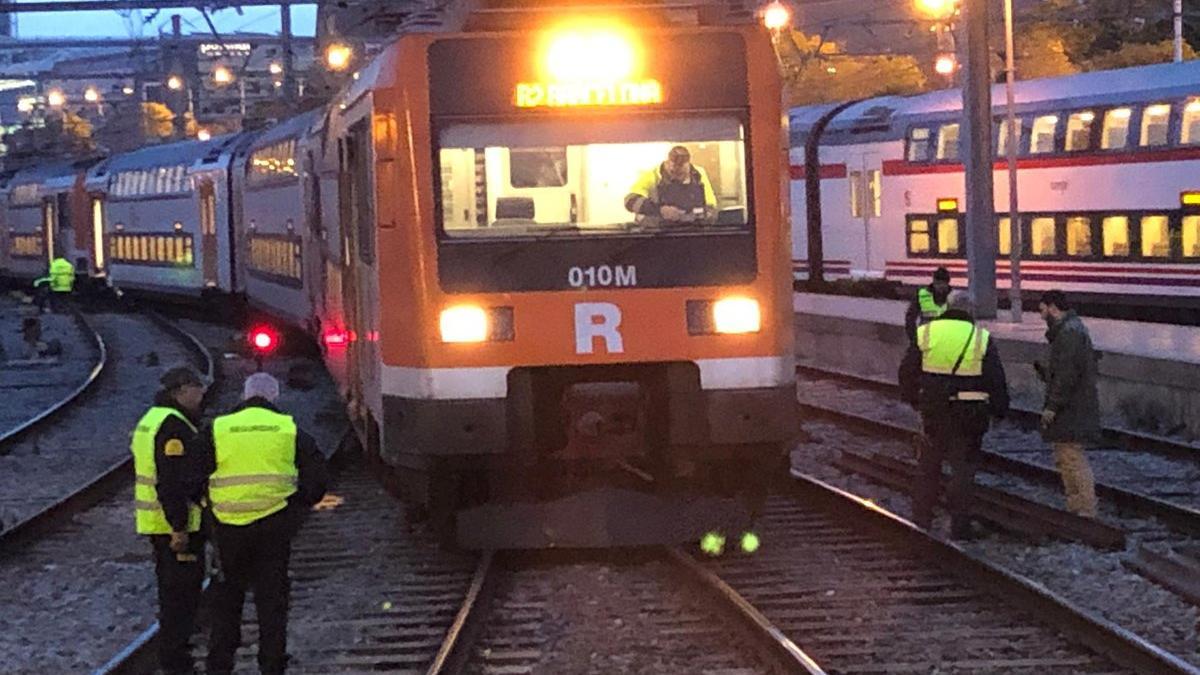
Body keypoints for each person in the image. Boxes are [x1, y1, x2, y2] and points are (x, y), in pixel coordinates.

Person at [200, 372, 328, 675]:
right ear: (274, 397)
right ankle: (271, 666)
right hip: (273, 528)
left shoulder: (218, 429)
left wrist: (208, 511)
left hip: (227, 528)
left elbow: (191, 475)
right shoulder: (287, 428)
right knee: (271, 603)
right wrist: (295, 506)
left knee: (226, 602)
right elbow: (317, 478)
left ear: (244, 396)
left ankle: (219, 665)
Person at [899, 291, 1009, 539]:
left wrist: (914, 400)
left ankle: (922, 520)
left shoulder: (926, 333)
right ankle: (960, 526)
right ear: (970, 312)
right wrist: (1000, 410)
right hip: (970, 416)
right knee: (963, 470)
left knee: (928, 466)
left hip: (935, 413)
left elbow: (906, 371)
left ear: (946, 309)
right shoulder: (980, 338)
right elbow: (995, 379)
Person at [130, 366, 208, 675]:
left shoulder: (150, 420)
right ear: (180, 391)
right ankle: (178, 664)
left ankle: (175, 659)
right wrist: (179, 527)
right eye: (196, 388)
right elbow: (171, 482)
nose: (201, 394)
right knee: (182, 599)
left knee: (172, 595)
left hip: (156, 524)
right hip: (175, 527)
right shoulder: (173, 427)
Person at [1036, 290, 1100, 518]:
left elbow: (1067, 375)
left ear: (1053, 307)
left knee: (1072, 456)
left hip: (1072, 407)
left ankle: (1085, 508)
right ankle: (1077, 507)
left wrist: (1052, 406)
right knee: (1065, 455)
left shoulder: (1069, 333)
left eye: (1042, 310)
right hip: (1073, 404)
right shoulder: (1070, 330)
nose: (1041, 315)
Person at [624, 145, 717, 225]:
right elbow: (630, 201)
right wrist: (660, 210)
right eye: (673, 172)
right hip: (658, 234)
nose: (678, 177)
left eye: (682, 174)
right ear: (667, 164)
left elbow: (711, 205)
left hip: (691, 232)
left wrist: (701, 215)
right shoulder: (652, 175)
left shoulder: (698, 174)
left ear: (688, 165)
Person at [904, 266, 952, 343]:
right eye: (938, 283)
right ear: (934, 281)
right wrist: (914, 339)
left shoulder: (953, 298)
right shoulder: (922, 295)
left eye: (943, 284)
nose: (940, 287)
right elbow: (910, 318)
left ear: (947, 283)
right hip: (926, 341)